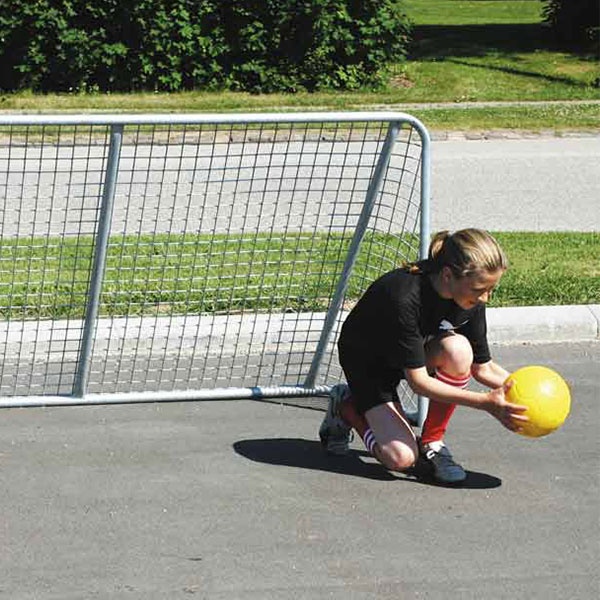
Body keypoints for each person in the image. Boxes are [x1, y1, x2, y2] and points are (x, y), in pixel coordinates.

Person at [319, 228, 529, 485]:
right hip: (369, 364)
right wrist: (486, 402)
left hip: (411, 355)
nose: (486, 297)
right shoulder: (404, 297)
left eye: (491, 288)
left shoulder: (470, 298)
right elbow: (418, 382)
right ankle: (347, 408)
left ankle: (432, 443)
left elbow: (483, 368)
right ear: (448, 275)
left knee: (459, 351)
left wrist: (529, 393)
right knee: (400, 459)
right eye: (480, 289)